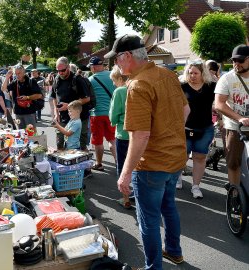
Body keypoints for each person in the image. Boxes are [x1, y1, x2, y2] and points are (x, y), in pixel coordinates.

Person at [106, 34, 190, 269]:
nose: (116, 64)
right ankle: (174, 251)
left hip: (152, 164)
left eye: (117, 59)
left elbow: (140, 135)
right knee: (168, 207)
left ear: (128, 56)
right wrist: (169, 135)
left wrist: (124, 173)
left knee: (149, 220)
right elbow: (185, 111)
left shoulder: (138, 85)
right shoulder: (167, 74)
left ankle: (154, 267)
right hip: (174, 158)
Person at [177, 61, 216, 198]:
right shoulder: (182, 86)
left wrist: (221, 119)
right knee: (182, 156)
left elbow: (221, 99)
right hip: (184, 127)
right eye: (190, 72)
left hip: (205, 128)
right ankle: (178, 178)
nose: (192, 75)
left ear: (202, 73)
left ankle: (196, 186)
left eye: (195, 73)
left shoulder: (211, 86)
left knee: (200, 157)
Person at [215, 44, 249, 188]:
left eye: (240, 60)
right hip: (235, 127)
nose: (236, 64)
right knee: (234, 163)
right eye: (234, 60)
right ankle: (235, 194)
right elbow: (219, 104)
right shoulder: (227, 79)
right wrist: (239, 118)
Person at [51, 57, 91, 150]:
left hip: (79, 118)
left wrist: (68, 105)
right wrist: (56, 113)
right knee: (60, 144)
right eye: (58, 71)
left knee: (80, 146)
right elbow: (53, 97)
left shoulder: (78, 79)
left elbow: (87, 98)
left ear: (68, 67)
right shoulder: (57, 79)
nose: (60, 73)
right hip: (63, 118)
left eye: (63, 70)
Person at [88, 56, 116, 171]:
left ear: (93, 67)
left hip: (97, 114)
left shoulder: (91, 80)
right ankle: (119, 163)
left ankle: (99, 164)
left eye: (90, 67)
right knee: (112, 139)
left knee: (98, 141)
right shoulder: (112, 76)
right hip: (111, 113)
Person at [109, 65, 131, 209]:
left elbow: (113, 116)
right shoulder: (135, 87)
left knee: (123, 167)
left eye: (114, 80)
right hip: (139, 134)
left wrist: (114, 121)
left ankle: (126, 198)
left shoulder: (120, 91)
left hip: (123, 133)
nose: (113, 83)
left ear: (118, 78)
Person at [2, 64, 43, 129]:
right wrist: (7, 77)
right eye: (16, 74)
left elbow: (39, 95)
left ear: (24, 72)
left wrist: (27, 97)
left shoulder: (31, 81)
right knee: (21, 135)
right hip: (18, 113)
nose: (17, 75)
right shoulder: (14, 82)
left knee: (31, 135)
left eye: (19, 73)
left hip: (29, 112)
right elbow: (3, 89)